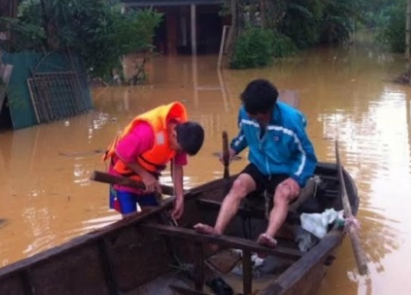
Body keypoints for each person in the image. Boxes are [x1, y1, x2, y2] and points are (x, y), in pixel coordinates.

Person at [194, 79, 317, 247]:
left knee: (282, 193)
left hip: (285, 168)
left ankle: (268, 236)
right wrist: (233, 150)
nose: (249, 115)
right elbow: (244, 134)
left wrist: (297, 179)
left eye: (255, 115)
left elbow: (307, 156)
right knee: (238, 185)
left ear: (267, 111)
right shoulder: (245, 112)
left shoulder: (291, 122)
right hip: (259, 165)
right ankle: (217, 230)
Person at [103, 101, 204, 219]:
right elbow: (121, 152)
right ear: (174, 135)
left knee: (153, 214)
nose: (180, 153)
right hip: (124, 175)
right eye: (180, 150)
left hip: (149, 177)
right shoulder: (147, 132)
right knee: (130, 218)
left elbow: (177, 166)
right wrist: (145, 176)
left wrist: (180, 196)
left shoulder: (183, 140)